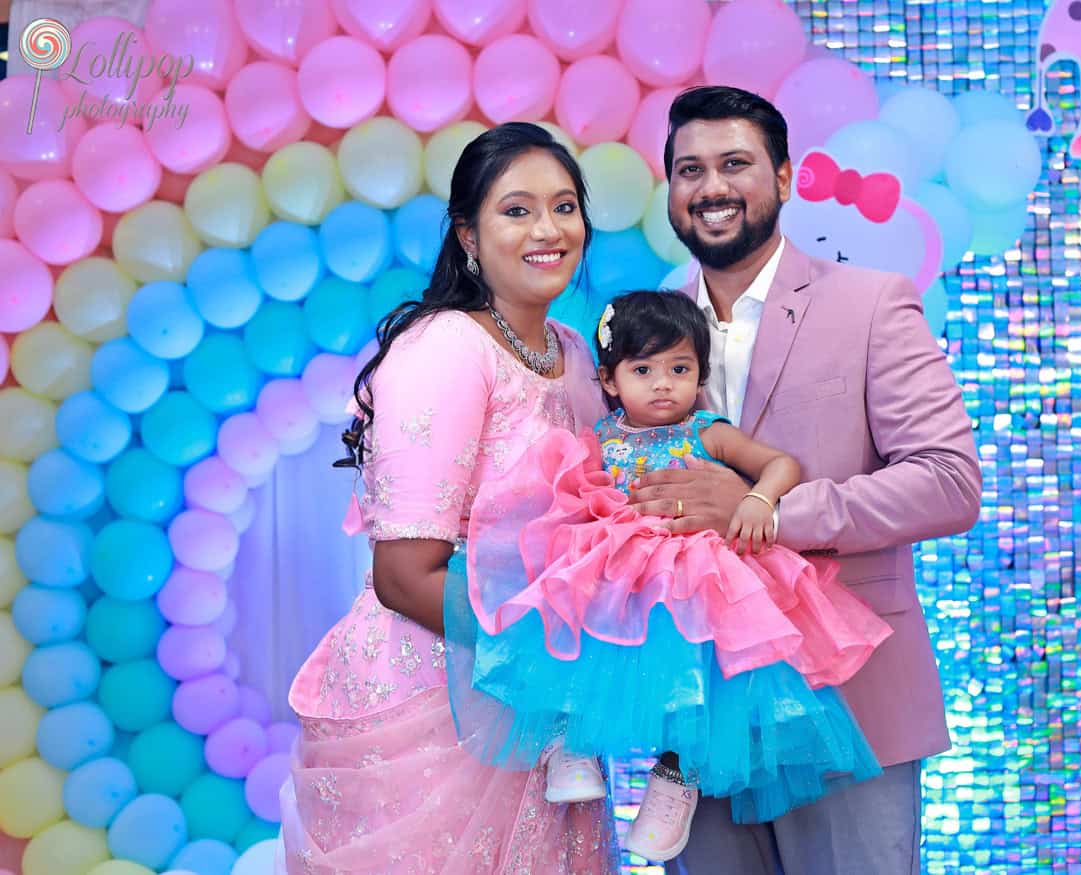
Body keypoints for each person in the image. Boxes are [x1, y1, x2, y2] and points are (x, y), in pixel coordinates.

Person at [630, 86, 984, 874]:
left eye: (734, 164)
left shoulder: (869, 303)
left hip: (849, 705)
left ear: (783, 179)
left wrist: (769, 513)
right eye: (689, 169)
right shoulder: (644, 331)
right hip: (702, 717)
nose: (711, 187)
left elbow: (948, 480)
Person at [447, 290, 893, 862]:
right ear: (609, 380)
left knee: (700, 681)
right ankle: (574, 747)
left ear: (700, 375)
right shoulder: (601, 438)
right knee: (571, 624)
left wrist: (760, 499)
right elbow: (569, 494)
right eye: (643, 370)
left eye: (679, 369)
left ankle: (675, 779)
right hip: (622, 577)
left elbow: (781, 464)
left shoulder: (707, 431)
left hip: (693, 577)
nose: (663, 384)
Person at [279, 122, 618, 874]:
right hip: (439, 705)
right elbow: (403, 575)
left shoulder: (570, 351)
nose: (548, 229)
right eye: (517, 210)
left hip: (547, 705)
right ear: (468, 234)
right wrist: (540, 656)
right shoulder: (443, 349)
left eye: (565, 207)